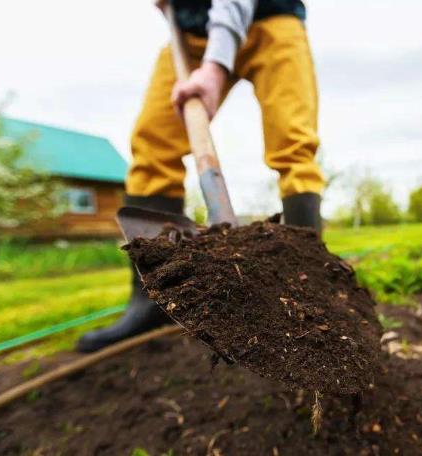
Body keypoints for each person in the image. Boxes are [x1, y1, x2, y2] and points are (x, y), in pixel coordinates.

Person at [77, 0, 325, 352]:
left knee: (293, 145)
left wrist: (215, 66)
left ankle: (311, 293)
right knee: (152, 146)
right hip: (192, 34)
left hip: (272, 18)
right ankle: (154, 301)